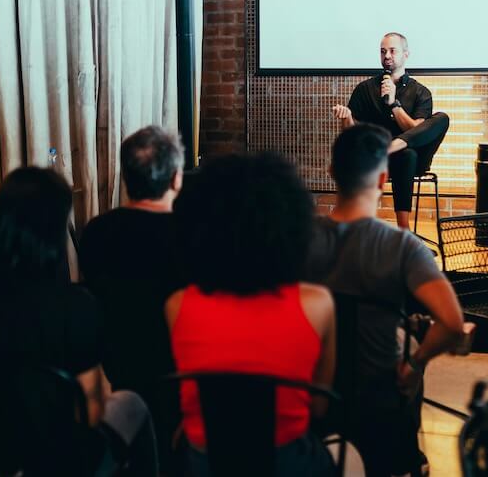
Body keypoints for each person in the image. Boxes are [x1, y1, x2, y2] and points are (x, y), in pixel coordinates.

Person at [0, 167, 157, 476]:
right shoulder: (77, 307)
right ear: (56, 228)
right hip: (56, 461)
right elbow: (92, 412)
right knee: (132, 404)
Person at [305, 124, 465, 477]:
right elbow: (452, 325)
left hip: (314, 398)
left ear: (332, 173)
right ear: (382, 181)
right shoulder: (402, 247)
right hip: (380, 399)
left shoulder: (300, 239)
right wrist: (415, 365)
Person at [167, 152, 336, 477]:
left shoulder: (177, 304)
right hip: (287, 462)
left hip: (205, 462)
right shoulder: (318, 304)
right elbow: (318, 406)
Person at [80, 125, 185, 470]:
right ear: (176, 180)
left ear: (125, 177)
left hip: (118, 367)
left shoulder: (96, 232)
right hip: (178, 381)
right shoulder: (193, 236)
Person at [332, 33, 450, 228]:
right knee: (407, 154)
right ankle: (405, 231)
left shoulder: (421, 92)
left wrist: (394, 104)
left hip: (415, 161)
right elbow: (351, 135)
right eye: (382, 51)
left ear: (406, 54)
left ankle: (389, 147)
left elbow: (419, 130)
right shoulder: (365, 89)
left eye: (392, 51)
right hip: (378, 160)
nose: (386, 55)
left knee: (441, 119)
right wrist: (347, 118)